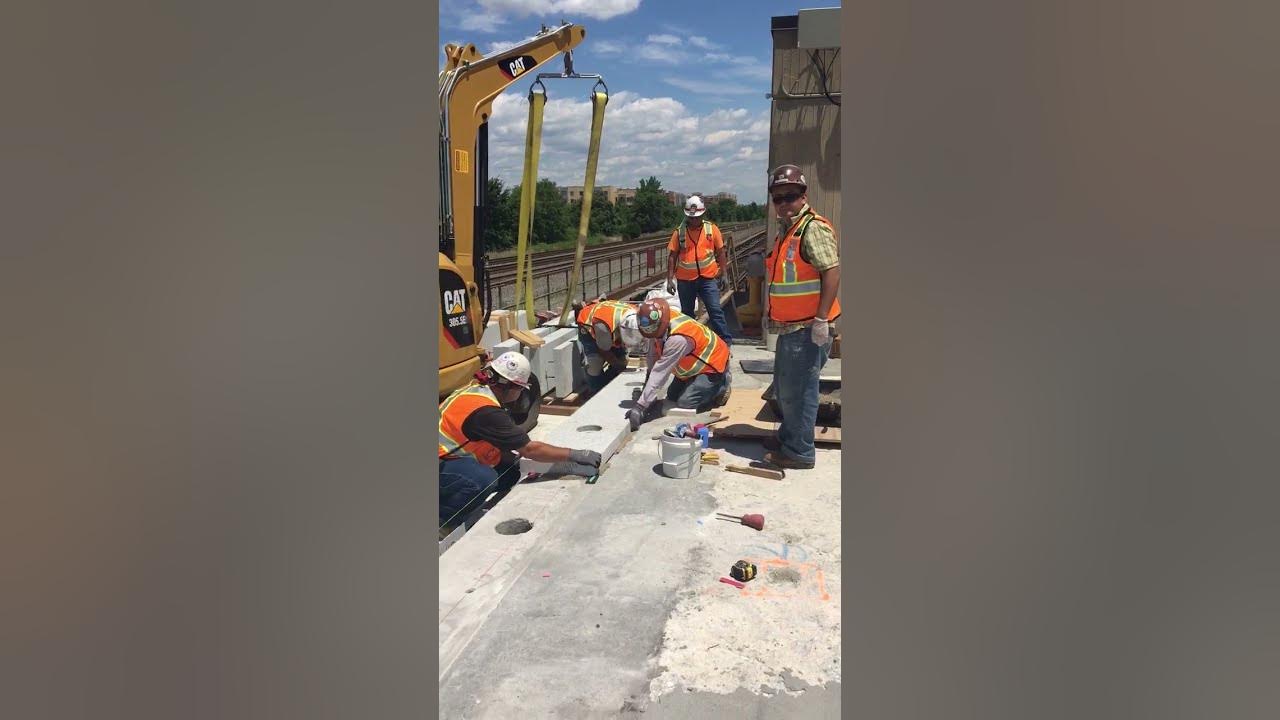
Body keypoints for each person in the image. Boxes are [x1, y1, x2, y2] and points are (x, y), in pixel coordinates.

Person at [438, 351, 602, 526]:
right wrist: (576, 454)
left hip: (450, 457)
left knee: (510, 472)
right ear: (512, 387)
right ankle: (445, 522)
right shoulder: (486, 412)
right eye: (521, 389)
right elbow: (530, 449)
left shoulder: (479, 390)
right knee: (484, 478)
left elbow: (504, 445)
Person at [762, 164, 840, 470]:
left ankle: (799, 452)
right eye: (777, 198)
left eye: (790, 196)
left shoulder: (812, 228)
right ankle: (788, 436)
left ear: (803, 195)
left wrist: (821, 320)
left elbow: (831, 272)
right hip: (790, 328)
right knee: (786, 388)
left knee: (800, 392)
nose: (783, 203)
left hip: (808, 328)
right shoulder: (789, 229)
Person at [624, 297, 731, 431]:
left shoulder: (677, 339)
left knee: (685, 403)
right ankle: (695, 383)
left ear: (660, 323)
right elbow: (653, 357)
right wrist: (646, 390)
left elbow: (661, 372)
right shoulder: (660, 322)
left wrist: (640, 407)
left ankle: (722, 385)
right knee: (672, 396)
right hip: (693, 367)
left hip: (713, 365)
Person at [665, 195, 733, 344]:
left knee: (715, 311)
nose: (694, 220)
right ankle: (690, 343)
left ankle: (725, 343)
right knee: (687, 314)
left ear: (703, 214)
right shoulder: (679, 232)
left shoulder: (711, 229)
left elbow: (721, 251)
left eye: (697, 217)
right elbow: (672, 256)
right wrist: (670, 280)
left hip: (707, 279)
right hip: (685, 281)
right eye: (691, 217)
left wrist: (724, 274)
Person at [574, 296, 638, 393]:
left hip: (609, 323)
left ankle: (608, 381)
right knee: (595, 364)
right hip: (590, 326)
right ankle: (595, 390)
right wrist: (617, 365)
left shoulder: (636, 315)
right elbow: (604, 350)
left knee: (622, 359)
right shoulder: (603, 326)